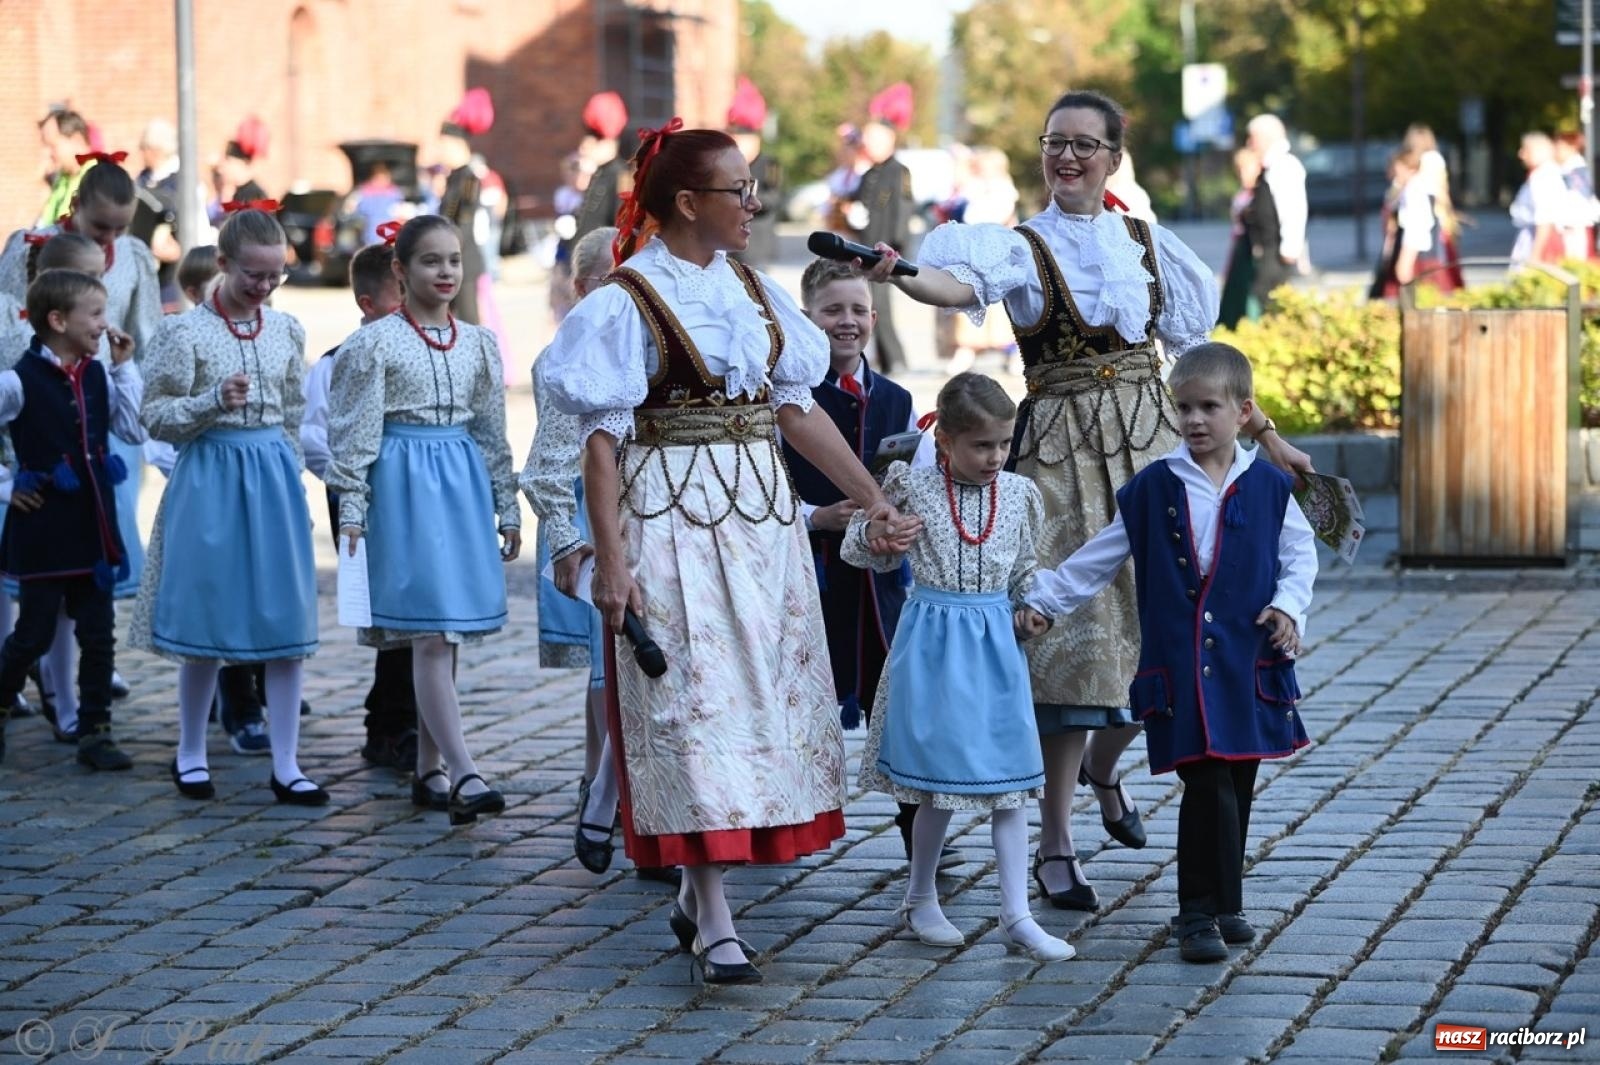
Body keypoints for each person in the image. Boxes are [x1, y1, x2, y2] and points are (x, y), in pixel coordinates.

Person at [861, 88, 1311, 914]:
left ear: (1113, 157)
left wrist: (1267, 435)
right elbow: (954, 288)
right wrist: (899, 273)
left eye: (1084, 144)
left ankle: (1108, 770)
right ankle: (1057, 842)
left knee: (1170, 631)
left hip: (1151, 445)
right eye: (1054, 142)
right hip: (1063, 455)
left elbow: (1201, 360)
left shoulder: (1145, 242)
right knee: (1072, 653)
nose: (1066, 157)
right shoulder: (1020, 246)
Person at [538, 121, 918, 984]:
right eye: (736, 190)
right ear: (686, 202)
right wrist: (611, 562)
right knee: (692, 707)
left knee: (755, 705)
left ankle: (695, 894)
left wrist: (871, 496)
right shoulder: (626, 303)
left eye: (752, 188)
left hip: (757, 527)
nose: (754, 203)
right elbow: (600, 445)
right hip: (669, 524)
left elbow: (796, 411)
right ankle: (714, 915)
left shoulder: (754, 291)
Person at [1020, 341, 1316, 962]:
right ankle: (1196, 914)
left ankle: (1228, 904)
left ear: (1243, 412)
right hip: (1182, 667)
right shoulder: (1154, 486)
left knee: (1238, 779)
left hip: (1248, 661)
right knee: (1205, 782)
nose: (1194, 420)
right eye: (1183, 408)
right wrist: (1045, 601)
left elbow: (1298, 554)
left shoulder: (1269, 486)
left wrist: (1288, 607)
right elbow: (1100, 557)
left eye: (1209, 407)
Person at [848, 373, 1074, 962]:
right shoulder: (913, 486)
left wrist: (1034, 608)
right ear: (945, 441)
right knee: (937, 785)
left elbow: (1024, 567)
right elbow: (858, 546)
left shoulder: (1019, 494)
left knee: (1012, 785)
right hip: (935, 645)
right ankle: (920, 897)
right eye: (981, 446)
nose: (995, 456)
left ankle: (1016, 914)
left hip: (996, 646)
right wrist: (880, 538)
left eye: (1003, 444)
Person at [327, 215, 520, 825]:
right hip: (402, 490)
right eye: (431, 261)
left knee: (448, 631)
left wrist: (507, 505)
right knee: (431, 633)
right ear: (400, 270)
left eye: (454, 260)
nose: (445, 272)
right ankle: (465, 771)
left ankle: (429, 768)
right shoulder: (373, 345)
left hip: (459, 488)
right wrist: (352, 509)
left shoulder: (479, 344)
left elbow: (491, 432)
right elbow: (353, 435)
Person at [133, 205, 324, 805]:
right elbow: (155, 416)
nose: (264, 286)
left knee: (285, 618)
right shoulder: (184, 332)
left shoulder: (286, 329)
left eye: (275, 275)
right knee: (206, 616)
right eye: (252, 275)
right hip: (211, 478)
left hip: (271, 480)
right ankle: (191, 751)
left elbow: (292, 412)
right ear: (222, 263)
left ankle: (287, 762)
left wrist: (292, 476)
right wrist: (211, 401)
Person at [779, 258, 952, 869]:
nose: (846, 322)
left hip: (881, 587)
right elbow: (763, 487)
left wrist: (899, 524)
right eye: (832, 310)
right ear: (808, 319)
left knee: (903, 707)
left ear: (875, 318)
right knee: (794, 704)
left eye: (857, 310)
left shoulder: (897, 398)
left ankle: (920, 837)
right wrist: (816, 516)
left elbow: (914, 482)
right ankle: (779, 824)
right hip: (810, 575)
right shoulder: (788, 399)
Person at [522, 225, 678, 885]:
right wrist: (568, 541)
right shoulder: (580, 354)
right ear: (588, 288)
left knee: (658, 670)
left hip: (669, 521)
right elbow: (552, 464)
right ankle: (616, 798)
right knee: (622, 670)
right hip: (605, 527)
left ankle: (617, 799)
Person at [1, 158, 159, 714]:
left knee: (94, 596)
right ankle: (32, 677)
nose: (112, 238)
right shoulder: (32, 252)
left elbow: (143, 334)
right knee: (38, 606)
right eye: (101, 226)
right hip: (37, 436)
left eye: (121, 227)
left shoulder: (133, 260)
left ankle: (85, 709)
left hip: (97, 428)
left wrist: (126, 371)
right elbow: (14, 319)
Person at [0, 269, 143, 769]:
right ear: (58, 320)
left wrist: (125, 369)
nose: (105, 324)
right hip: (44, 529)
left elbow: (133, 429)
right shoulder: (17, 381)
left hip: (93, 523)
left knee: (99, 634)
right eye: (96, 313)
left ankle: (96, 732)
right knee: (33, 634)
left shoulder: (100, 374)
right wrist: (6, 486)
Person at [302, 235, 421, 774]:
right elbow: (314, 438)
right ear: (368, 305)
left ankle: (402, 717)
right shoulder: (336, 364)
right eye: (400, 300)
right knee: (388, 614)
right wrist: (353, 483)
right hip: (362, 503)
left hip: (416, 499)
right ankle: (392, 725)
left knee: (418, 608)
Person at [846, 111, 916, 374]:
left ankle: (895, 359)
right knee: (869, 304)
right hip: (866, 246)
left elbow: (903, 210)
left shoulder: (899, 171)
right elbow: (858, 203)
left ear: (890, 140)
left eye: (875, 139)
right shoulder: (868, 173)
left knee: (880, 306)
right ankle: (884, 358)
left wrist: (897, 247)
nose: (869, 144)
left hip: (885, 249)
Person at [1371, 149, 1460, 299]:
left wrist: (1406, 259)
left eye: (1396, 169)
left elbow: (1417, 226)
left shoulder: (1414, 190)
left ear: (1409, 169)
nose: (1392, 174)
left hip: (1418, 257)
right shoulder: (1417, 187)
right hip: (1422, 254)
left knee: (1416, 300)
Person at [1242, 114, 1307, 311]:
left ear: (1266, 138)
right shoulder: (1270, 166)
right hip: (1268, 251)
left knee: (1272, 304)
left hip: (1277, 253)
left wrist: (1290, 248)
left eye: (1252, 138)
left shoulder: (1284, 166)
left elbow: (1293, 210)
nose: (1249, 144)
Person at [727, 77, 782, 272]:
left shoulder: (768, 164)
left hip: (756, 243)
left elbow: (774, 199)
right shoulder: (730, 165)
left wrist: (745, 198)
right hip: (731, 243)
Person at [569, 92, 630, 249]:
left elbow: (621, 230)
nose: (584, 146)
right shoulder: (596, 173)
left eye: (594, 138)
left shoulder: (620, 176)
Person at [1218, 147, 1262, 329]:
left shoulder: (1260, 195)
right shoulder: (1241, 194)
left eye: (1247, 169)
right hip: (1239, 246)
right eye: (1240, 169)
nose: (1243, 174)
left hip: (1252, 248)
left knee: (1249, 291)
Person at [1511, 132, 1568, 267]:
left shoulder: (1543, 176)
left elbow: (1545, 219)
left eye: (1525, 150)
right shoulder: (1545, 173)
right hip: (1538, 235)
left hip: (1541, 239)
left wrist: (1535, 254)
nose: (1520, 154)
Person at [37, 110, 94, 227]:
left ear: (76, 140)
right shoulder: (63, 177)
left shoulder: (97, 181)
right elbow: (44, 225)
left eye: (52, 146)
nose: (47, 153)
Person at [1554, 131, 1598, 261]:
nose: (1556, 151)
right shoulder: (1567, 169)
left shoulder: (1576, 171)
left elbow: (1580, 201)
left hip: (1576, 226)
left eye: (1560, 147)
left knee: (1576, 262)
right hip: (1571, 225)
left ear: (1572, 147)